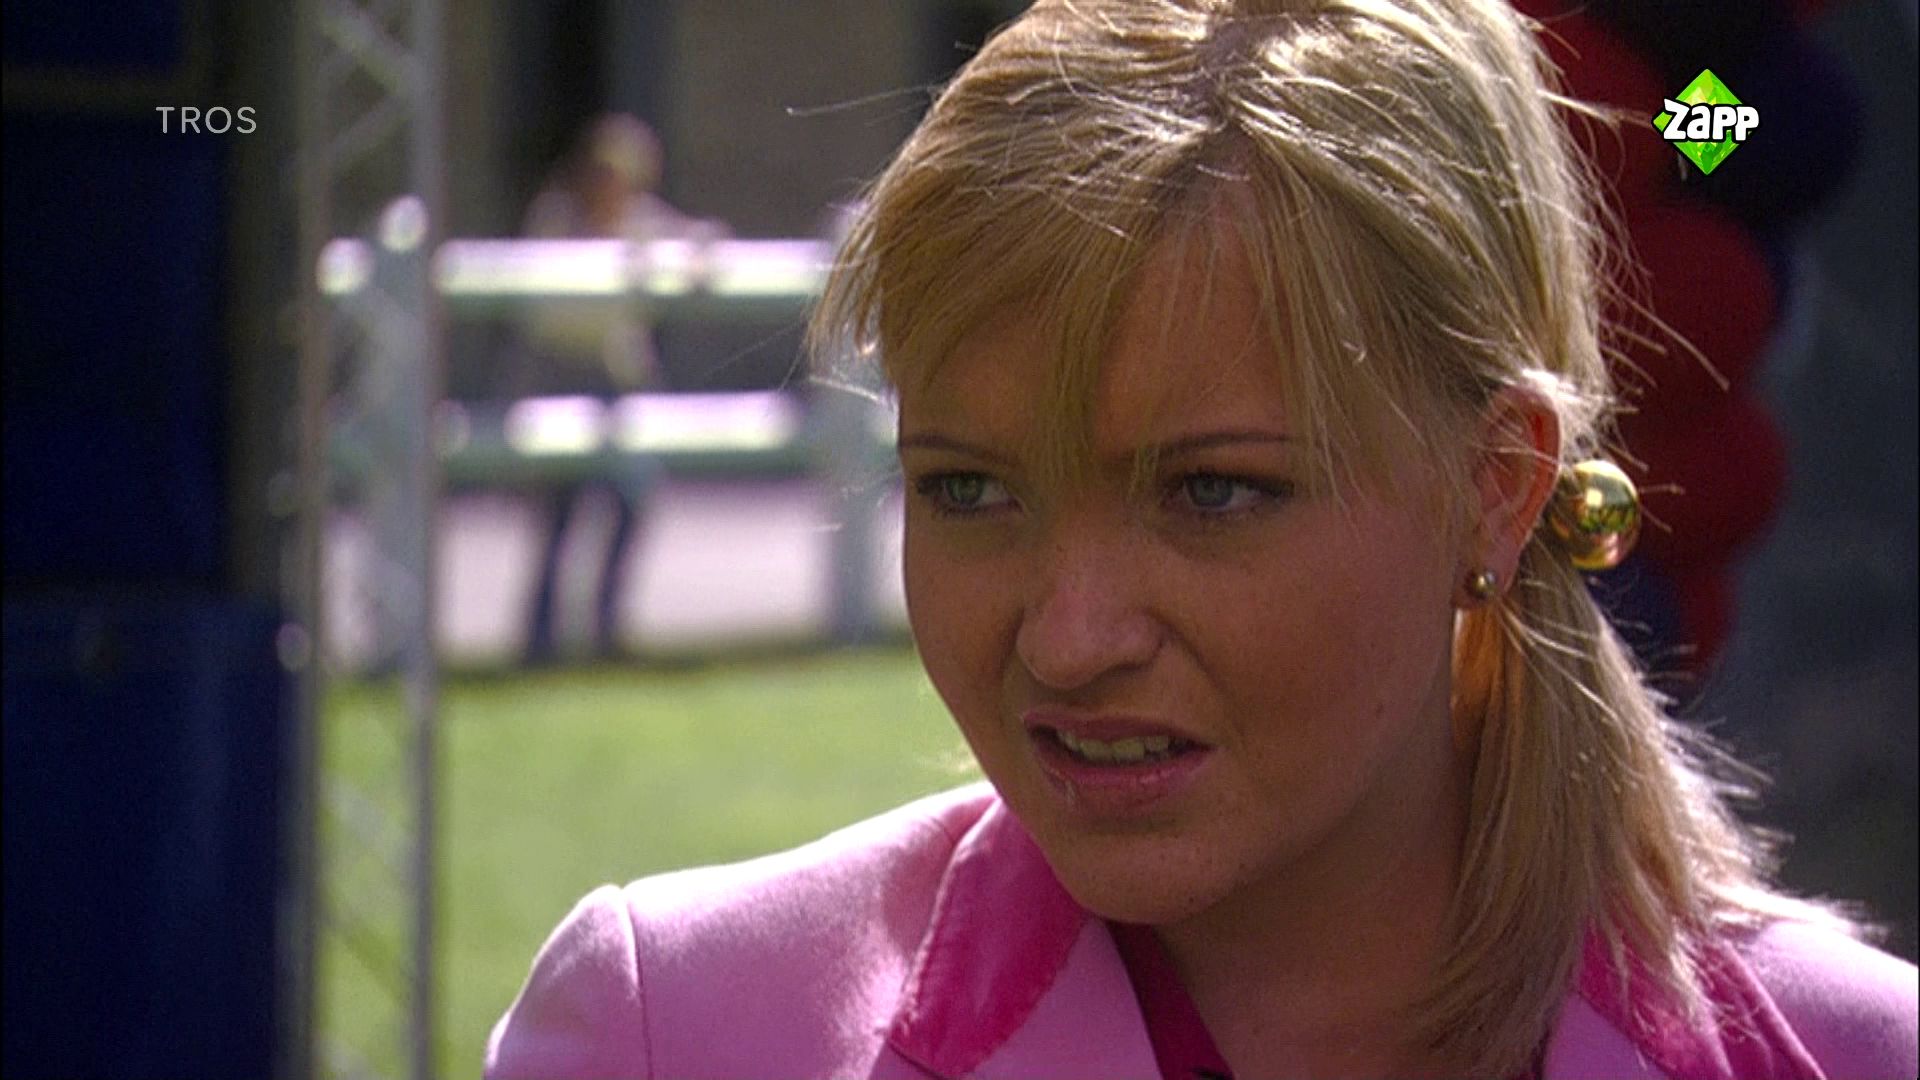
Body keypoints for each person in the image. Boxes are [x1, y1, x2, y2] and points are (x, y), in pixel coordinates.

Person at [486, 2, 1918, 1076]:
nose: (1069, 639)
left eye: (1213, 493)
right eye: (969, 490)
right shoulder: (670, 1029)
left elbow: (1744, 124)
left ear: (1499, 485)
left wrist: (1677, 126)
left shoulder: (1853, 1053)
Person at [514, 113, 728, 663]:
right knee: (558, 512)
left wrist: (698, 250)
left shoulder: (641, 221)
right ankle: (540, 639)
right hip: (561, 372)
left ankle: (606, 628)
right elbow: (546, 310)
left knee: (633, 500)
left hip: (619, 381)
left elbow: (696, 241)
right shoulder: (555, 219)